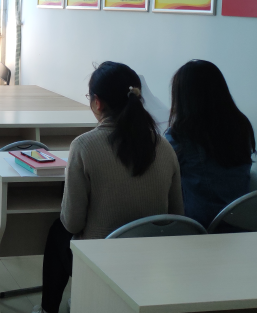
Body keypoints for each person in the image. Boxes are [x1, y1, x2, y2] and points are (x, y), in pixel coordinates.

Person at [37, 62, 183, 313]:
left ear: (97, 102)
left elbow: (72, 223)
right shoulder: (164, 146)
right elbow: (177, 216)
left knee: (58, 231)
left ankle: (48, 309)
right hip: (152, 263)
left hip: (101, 263)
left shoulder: (84, 146)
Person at [165, 60, 257, 228]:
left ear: (182, 97)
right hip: (242, 224)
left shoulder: (179, 135)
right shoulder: (241, 125)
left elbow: (162, 175)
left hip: (202, 229)